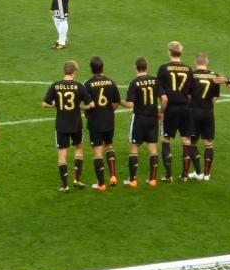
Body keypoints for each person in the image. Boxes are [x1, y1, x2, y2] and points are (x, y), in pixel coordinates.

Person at [42, 60, 93, 192]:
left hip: (61, 125)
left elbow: (45, 103)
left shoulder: (55, 85)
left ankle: (65, 185)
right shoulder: (79, 86)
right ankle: (77, 179)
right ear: (74, 72)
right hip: (76, 123)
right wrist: (80, 107)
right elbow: (91, 104)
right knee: (78, 148)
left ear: (64, 71)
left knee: (62, 153)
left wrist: (55, 104)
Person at [156, 41, 194, 182]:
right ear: (180, 53)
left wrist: (161, 111)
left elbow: (162, 96)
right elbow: (191, 94)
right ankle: (185, 175)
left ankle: (168, 175)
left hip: (170, 109)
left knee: (166, 139)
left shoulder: (163, 68)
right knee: (186, 140)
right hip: (185, 108)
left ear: (169, 52)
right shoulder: (188, 69)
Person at [83, 56, 121, 190]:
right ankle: (113, 176)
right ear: (102, 67)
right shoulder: (111, 82)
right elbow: (117, 101)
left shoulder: (87, 84)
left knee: (98, 152)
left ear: (91, 69)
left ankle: (101, 184)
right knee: (109, 145)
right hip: (109, 120)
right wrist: (110, 111)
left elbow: (86, 104)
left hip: (95, 121)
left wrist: (87, 113)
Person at [122, 57, 160, 187]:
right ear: (147, 67)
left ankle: (132, 180)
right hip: (153, 118)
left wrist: (119, 101)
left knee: (134, 149)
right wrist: (161, 112)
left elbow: (129, 105)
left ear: (135, 67)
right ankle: (153, 180)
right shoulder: (155, 80)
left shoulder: (134, 83)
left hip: (139, 119)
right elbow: (164, 99)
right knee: (153, 149)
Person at [189, 52, 220, 181]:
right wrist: (207, 105)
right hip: (208, 112)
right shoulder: (214, 76)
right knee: (208, 143)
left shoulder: (191, 75)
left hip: (194, 112)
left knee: (191, 143)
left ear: (196, 62)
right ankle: (207, 174)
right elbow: (215, 97)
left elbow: (188, 95)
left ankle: (198, 172)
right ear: (207, 62)